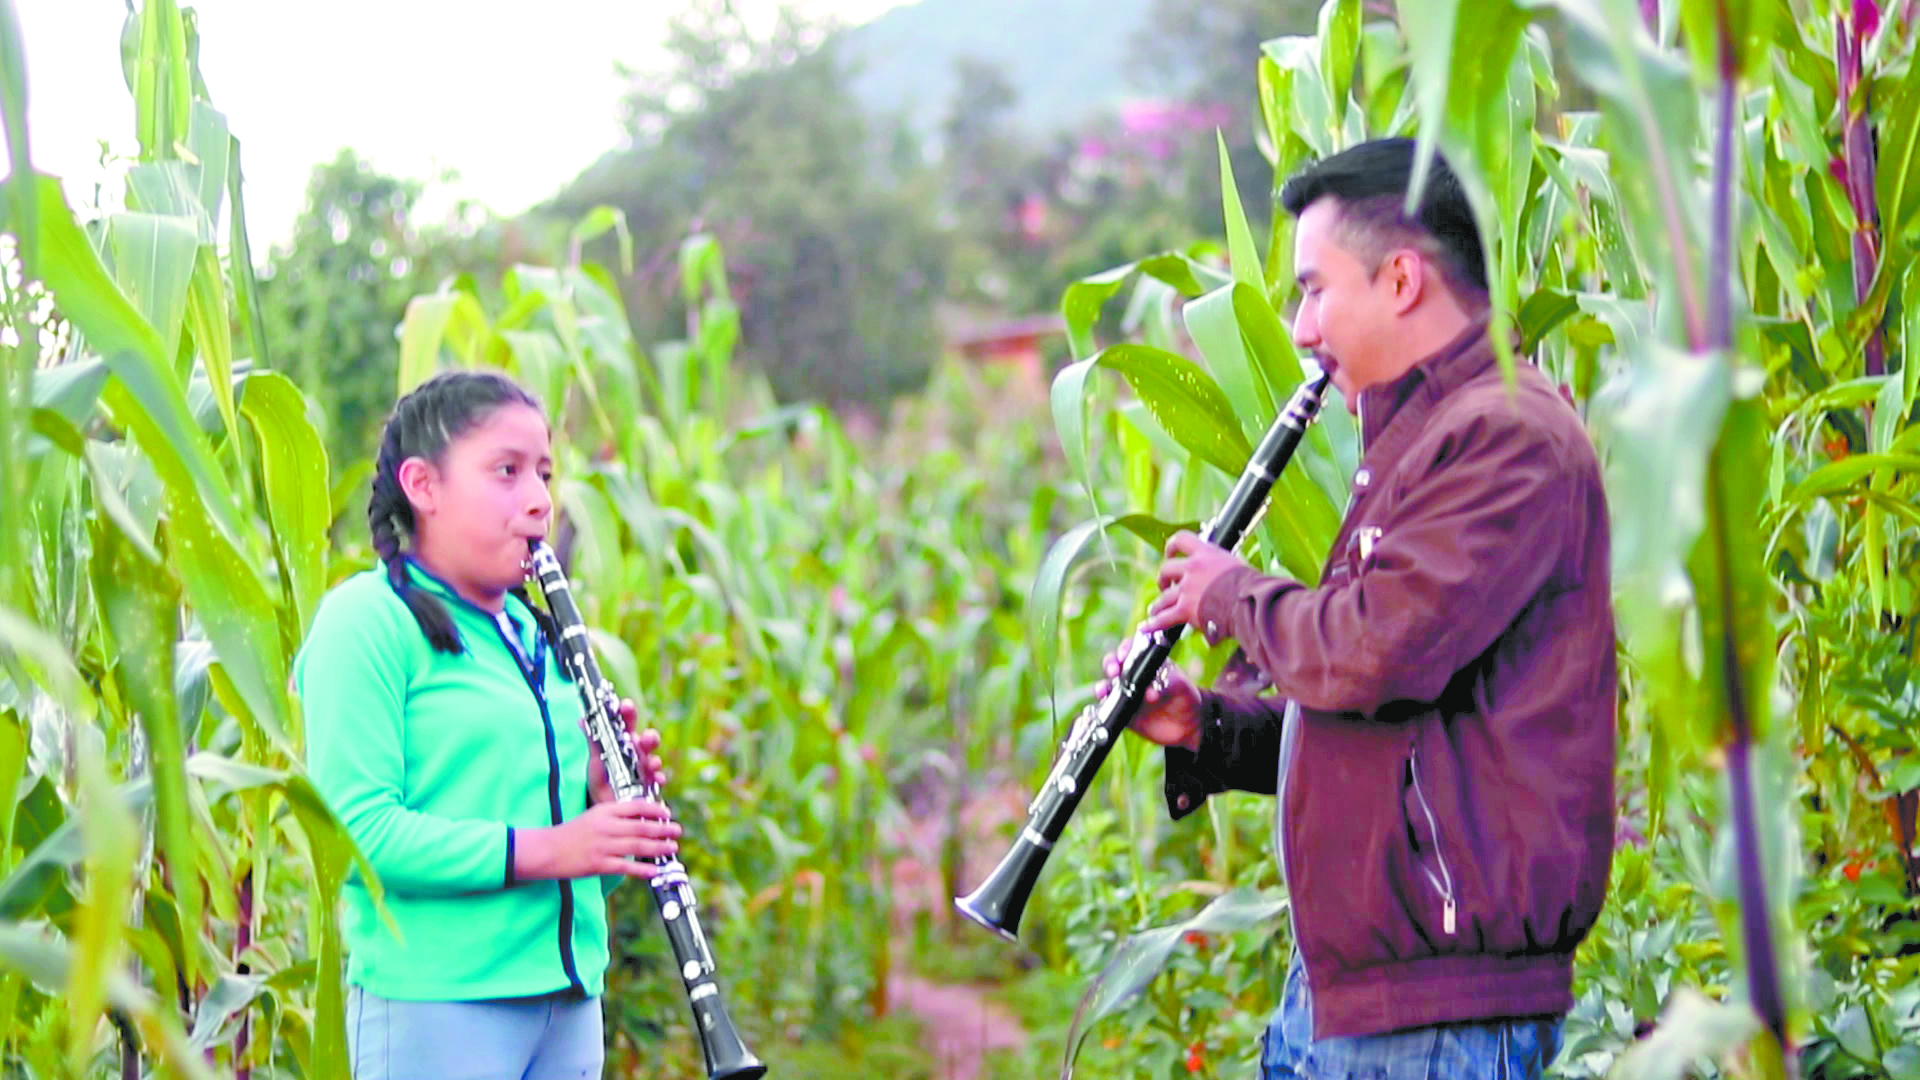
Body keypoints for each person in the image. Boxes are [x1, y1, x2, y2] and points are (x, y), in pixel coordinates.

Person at [1103, 137, 1618, 1080]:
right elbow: (1392, 729)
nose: (1300, 327)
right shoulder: (1428, 437)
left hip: (1440, 1018)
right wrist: (1207, 728)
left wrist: (1234, 595)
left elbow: (1377, 653)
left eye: (1313, 289)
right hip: (1357, 995)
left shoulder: (1506, 436)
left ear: (1403, 279)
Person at [295, 370, 681, 1080]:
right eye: (506, 472)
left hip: (567, 1005)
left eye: (543, 473)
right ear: (424, 486)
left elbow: (575, 872)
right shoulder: (369, 623)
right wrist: (556, 846)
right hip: (439, 1008)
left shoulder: (543, 639)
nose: (538, 501)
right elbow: (357, 837)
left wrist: (604, 810)